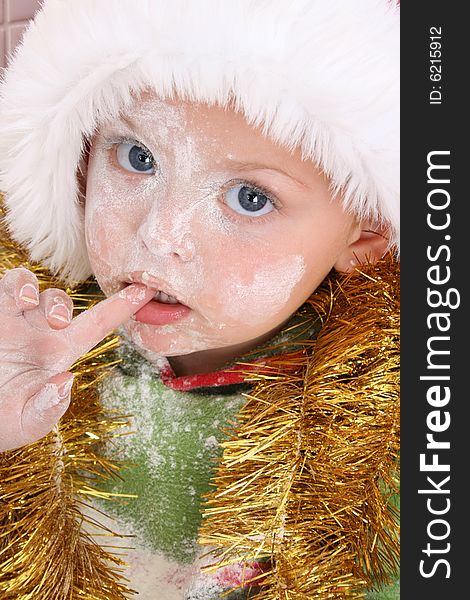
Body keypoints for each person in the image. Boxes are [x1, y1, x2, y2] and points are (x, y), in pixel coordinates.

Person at [0, 1, 399, 598]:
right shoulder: (18, 328)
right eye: (139, 158)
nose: (160, 237)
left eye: (250, 198)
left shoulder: (393, 432)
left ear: (366, 230)